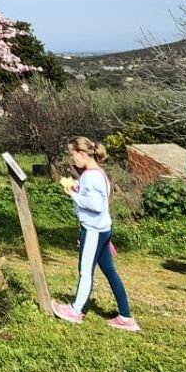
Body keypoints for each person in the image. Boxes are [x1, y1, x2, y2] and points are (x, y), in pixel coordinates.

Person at [51, 136, 138, 331]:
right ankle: (125, 316)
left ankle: (75, 310)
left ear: (82, 154)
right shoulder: (98, 173)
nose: (72, 159)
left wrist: (72, 193)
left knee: (85, 271)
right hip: (103, 229)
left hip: (93, 230)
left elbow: (96, 205)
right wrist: (77, 187)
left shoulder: (90, 175)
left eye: (73, 154)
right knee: (109, 271)